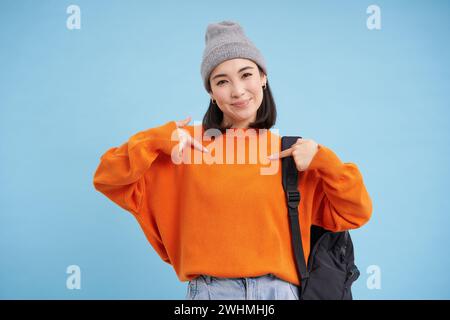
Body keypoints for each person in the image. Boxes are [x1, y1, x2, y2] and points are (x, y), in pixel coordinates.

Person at [92, 20, 373, 300]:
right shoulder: (183, 149)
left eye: (246, 74)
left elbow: (355, 213)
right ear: (211, 93)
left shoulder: (291, 155)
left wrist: (324, 160)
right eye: (222, 81)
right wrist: (158, 140)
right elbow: (107, 176)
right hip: (211, 293)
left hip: (280, 292)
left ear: (263, 77)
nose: (237, 90)